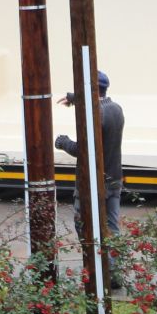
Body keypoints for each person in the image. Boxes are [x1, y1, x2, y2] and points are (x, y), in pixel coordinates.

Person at [55, 69, 124, 238]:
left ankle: (93, 262)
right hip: (115, 178)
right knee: (113, 228)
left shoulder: (95, 115)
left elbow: (83, 150)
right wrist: (75, 98)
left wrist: (63, 142)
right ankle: (114, 263)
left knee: (83, 225)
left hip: (94, 182)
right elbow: (96, 104)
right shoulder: (116, 109)